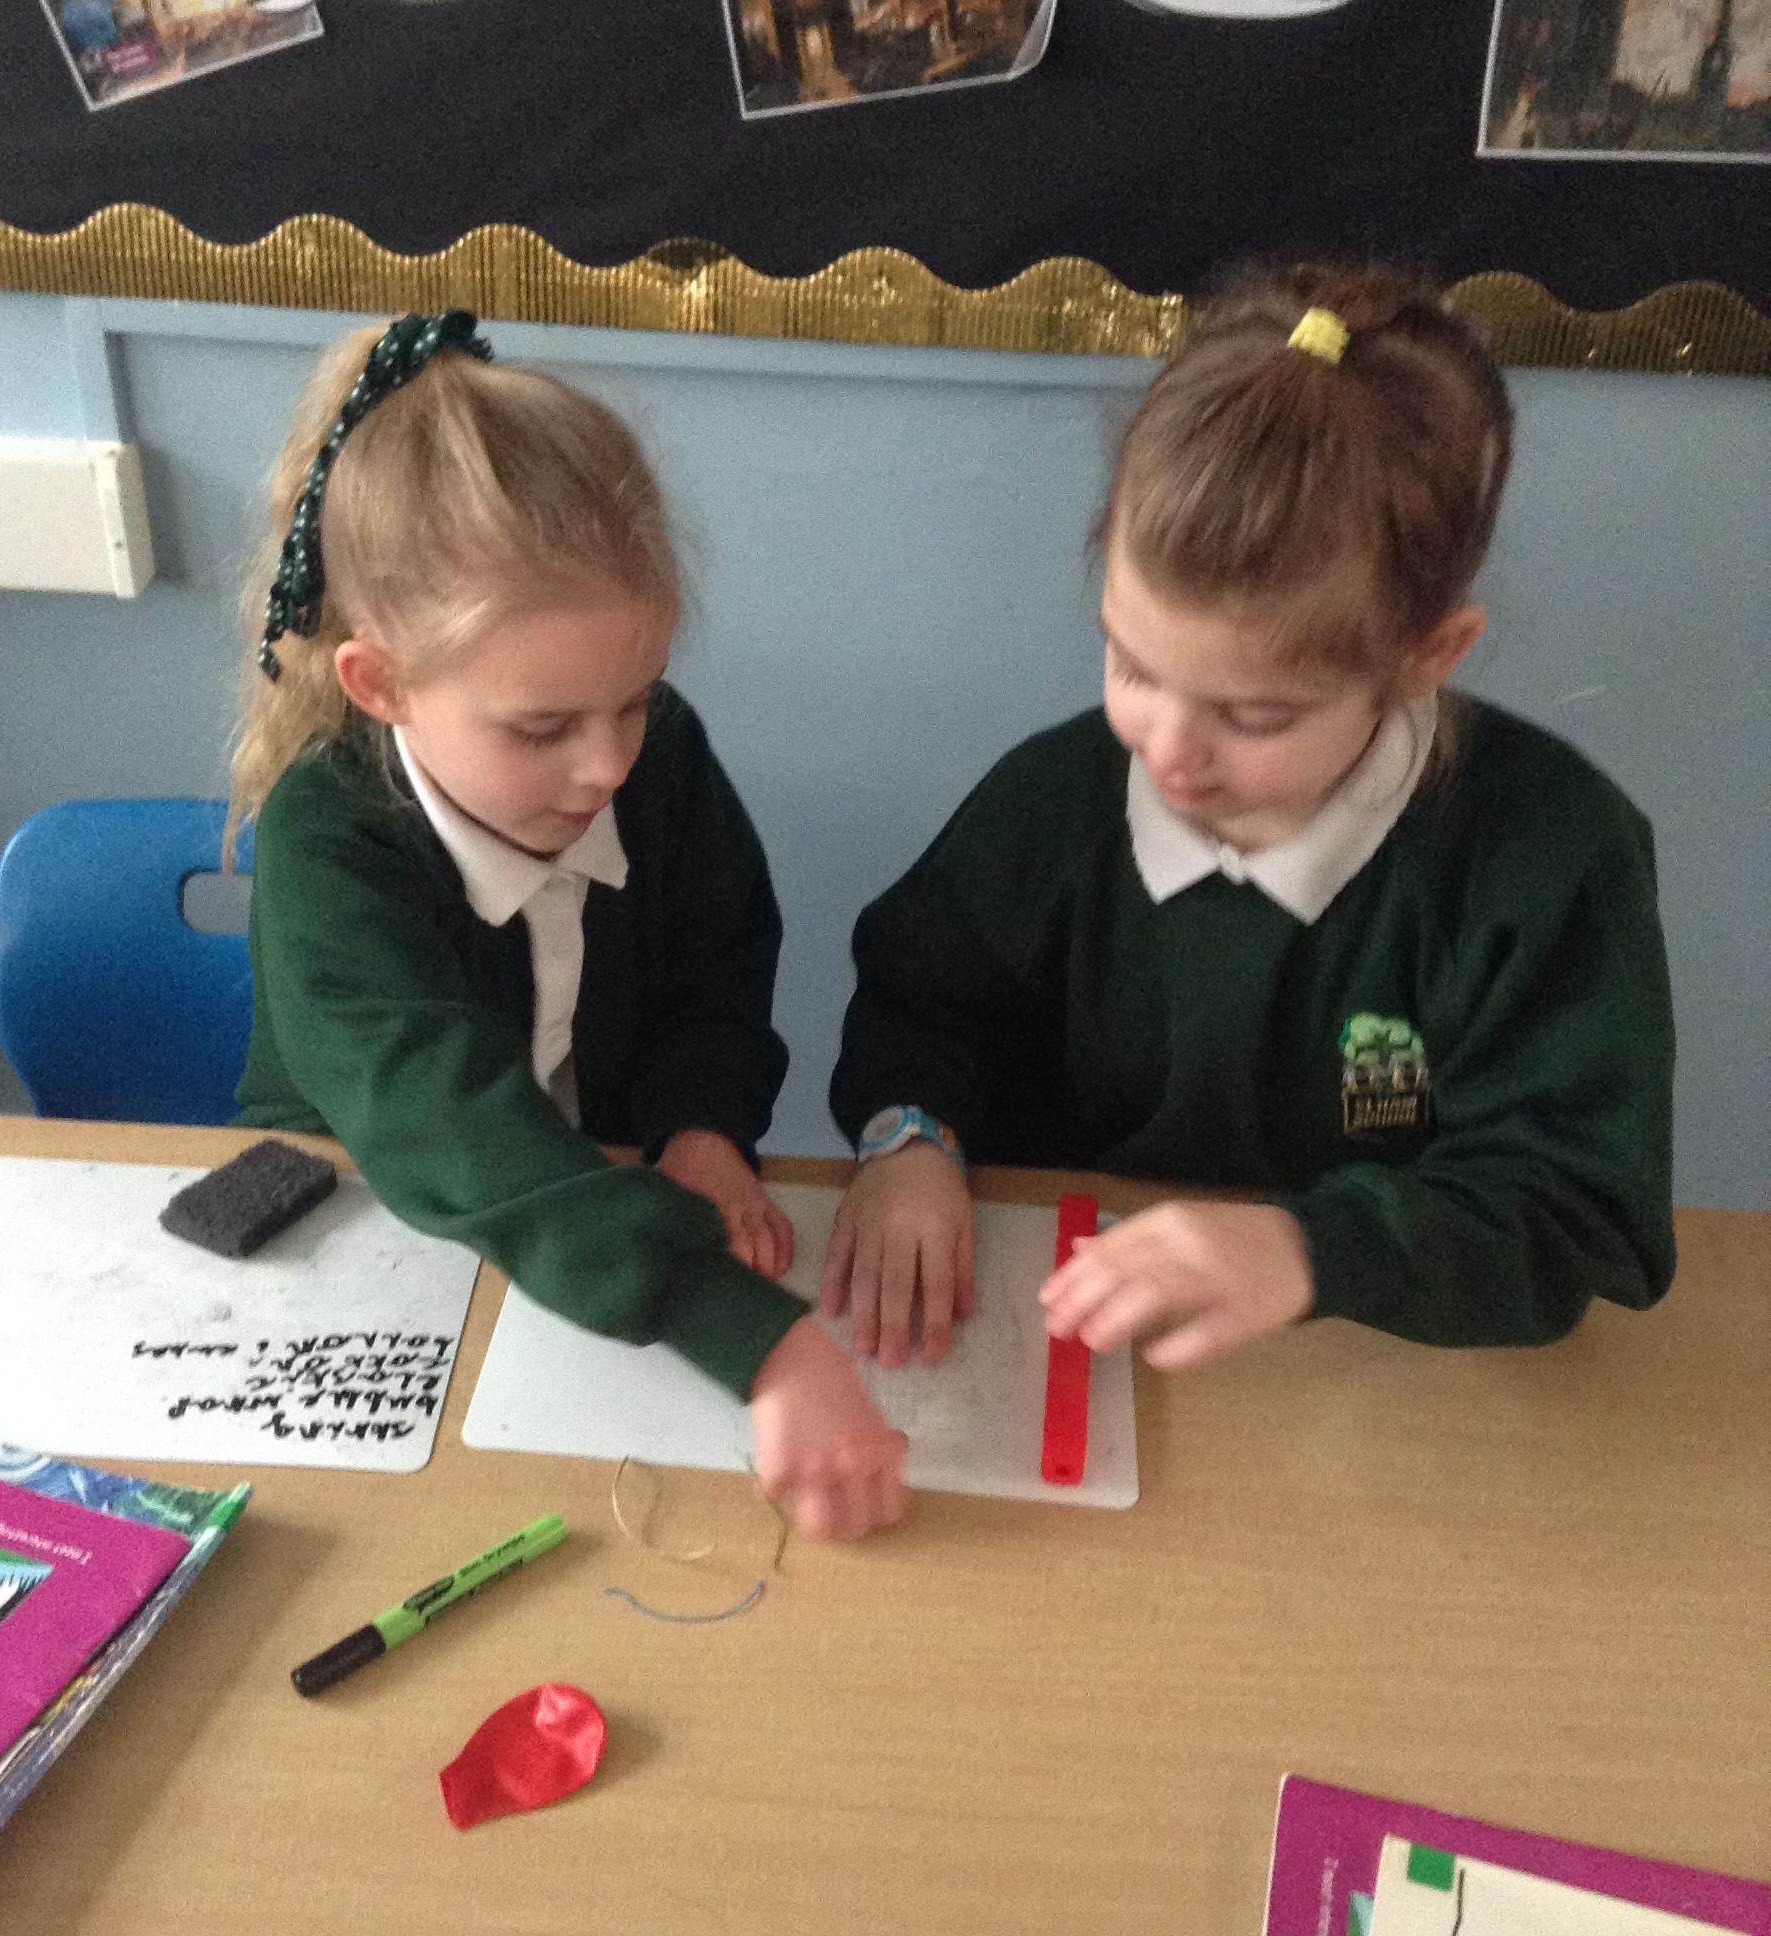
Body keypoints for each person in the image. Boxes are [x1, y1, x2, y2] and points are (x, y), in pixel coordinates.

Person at [822, 263, 1675, 1374]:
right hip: (1075, 1337)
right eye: (1132, 666)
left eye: (1256, 715)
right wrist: (909, 1141)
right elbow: (920, 1009)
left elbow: (1577, 1210)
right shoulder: (1053, 802)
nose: (1169, 749)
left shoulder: (1550, 858)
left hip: (1384, 1373)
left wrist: (1310, 1249)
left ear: (1426, 656)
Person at [228, 312, 906, 1538]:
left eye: (634, 700)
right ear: (381, 685)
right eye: (542, 729)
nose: (607, 764)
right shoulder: (327, 839)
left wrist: (699, 1124)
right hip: (369, 1241)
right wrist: (756, 1340)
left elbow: (719, 975)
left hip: (590, 1231)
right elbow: (451, 1128)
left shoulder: (662, 760)